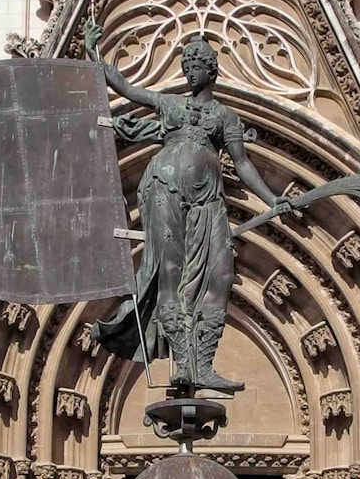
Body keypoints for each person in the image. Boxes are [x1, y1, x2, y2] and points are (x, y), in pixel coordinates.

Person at [86, 23, 290, 391]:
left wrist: (272, 198)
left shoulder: (225, 116)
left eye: (196, 67)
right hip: (164, 187)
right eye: (186, 66)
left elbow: (242, 163)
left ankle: (203, 365)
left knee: (221, 274)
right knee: (170, 272)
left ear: (211, 71)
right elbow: (127, 89)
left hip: (208, 199)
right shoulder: (170, 104)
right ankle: (183, 364)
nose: (189, 72)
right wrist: (94, 54)